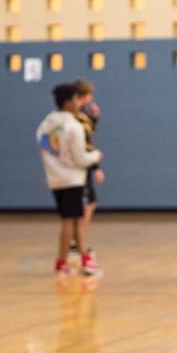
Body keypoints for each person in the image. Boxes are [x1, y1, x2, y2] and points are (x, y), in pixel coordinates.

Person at [37, 83, 103, 276]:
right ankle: (82, 261)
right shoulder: (73, 126)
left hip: (55, 179)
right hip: (73, 180)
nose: (78, 102)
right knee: (75, 221)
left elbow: (46, 147)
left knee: (69, 220)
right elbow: (81, 158)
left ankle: (64, 262)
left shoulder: (46, 124)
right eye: (75, 99)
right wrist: (96, 156)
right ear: (68, 102)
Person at [73, 79, 104, 245]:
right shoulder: (77, 118)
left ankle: (77, 240)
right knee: (88, 204)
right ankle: (76, 241)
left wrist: (94, 119)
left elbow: (89, 134)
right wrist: (96, 166)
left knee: (89, 203)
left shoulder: (84, 115)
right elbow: (86, 143)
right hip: (81, 167)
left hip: (83, 165)